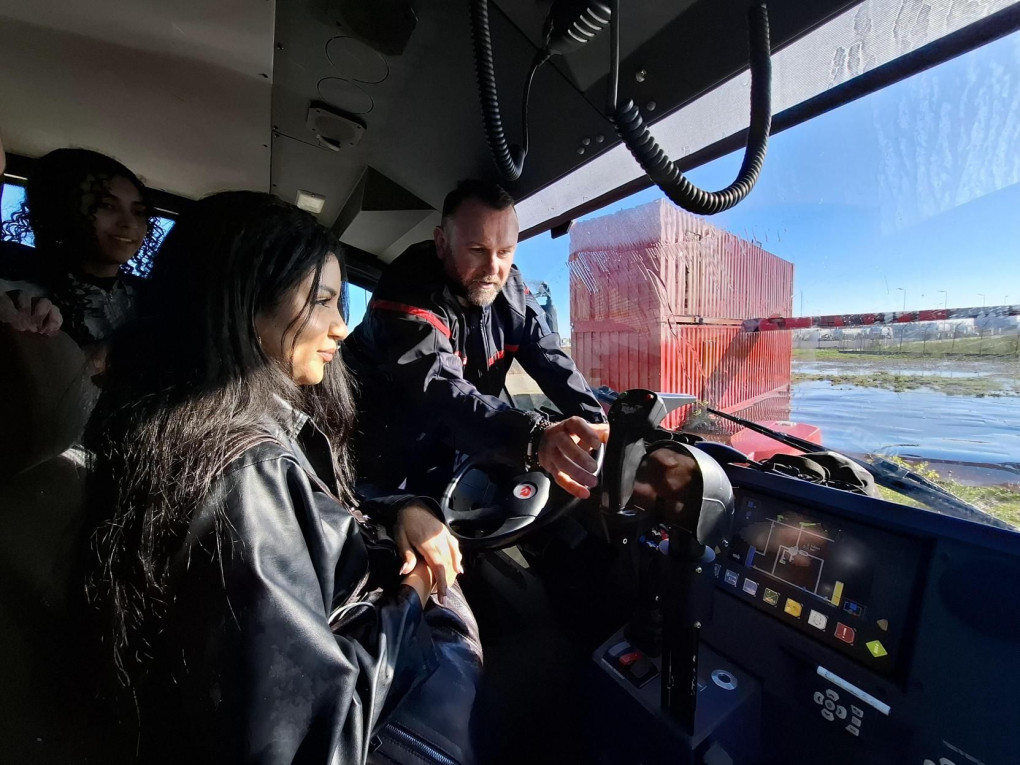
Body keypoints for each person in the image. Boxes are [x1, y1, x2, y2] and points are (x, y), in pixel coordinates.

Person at [84, 192, 477, 764]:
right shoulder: (245, 475)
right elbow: (317, 735)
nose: (343, 328)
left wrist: (399, 510)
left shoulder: (189, 432)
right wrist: (415, 592)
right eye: (322, 301)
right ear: (246, 301)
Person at [343, 179, 609, 500]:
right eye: (477, 250)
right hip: (369, 456)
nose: (493, 268)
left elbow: (552, 360)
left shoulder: (510, 290)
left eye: (505, 251)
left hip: (443, 447)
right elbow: (438, 390)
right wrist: (534, 436)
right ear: (442, 243)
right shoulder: (407, 295)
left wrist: (599, 433)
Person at [0, 148, 163, 346]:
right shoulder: (18, 298)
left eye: (138, 211)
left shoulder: (155, 299)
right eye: (106, 205)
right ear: (62, 209)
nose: (130, 222)